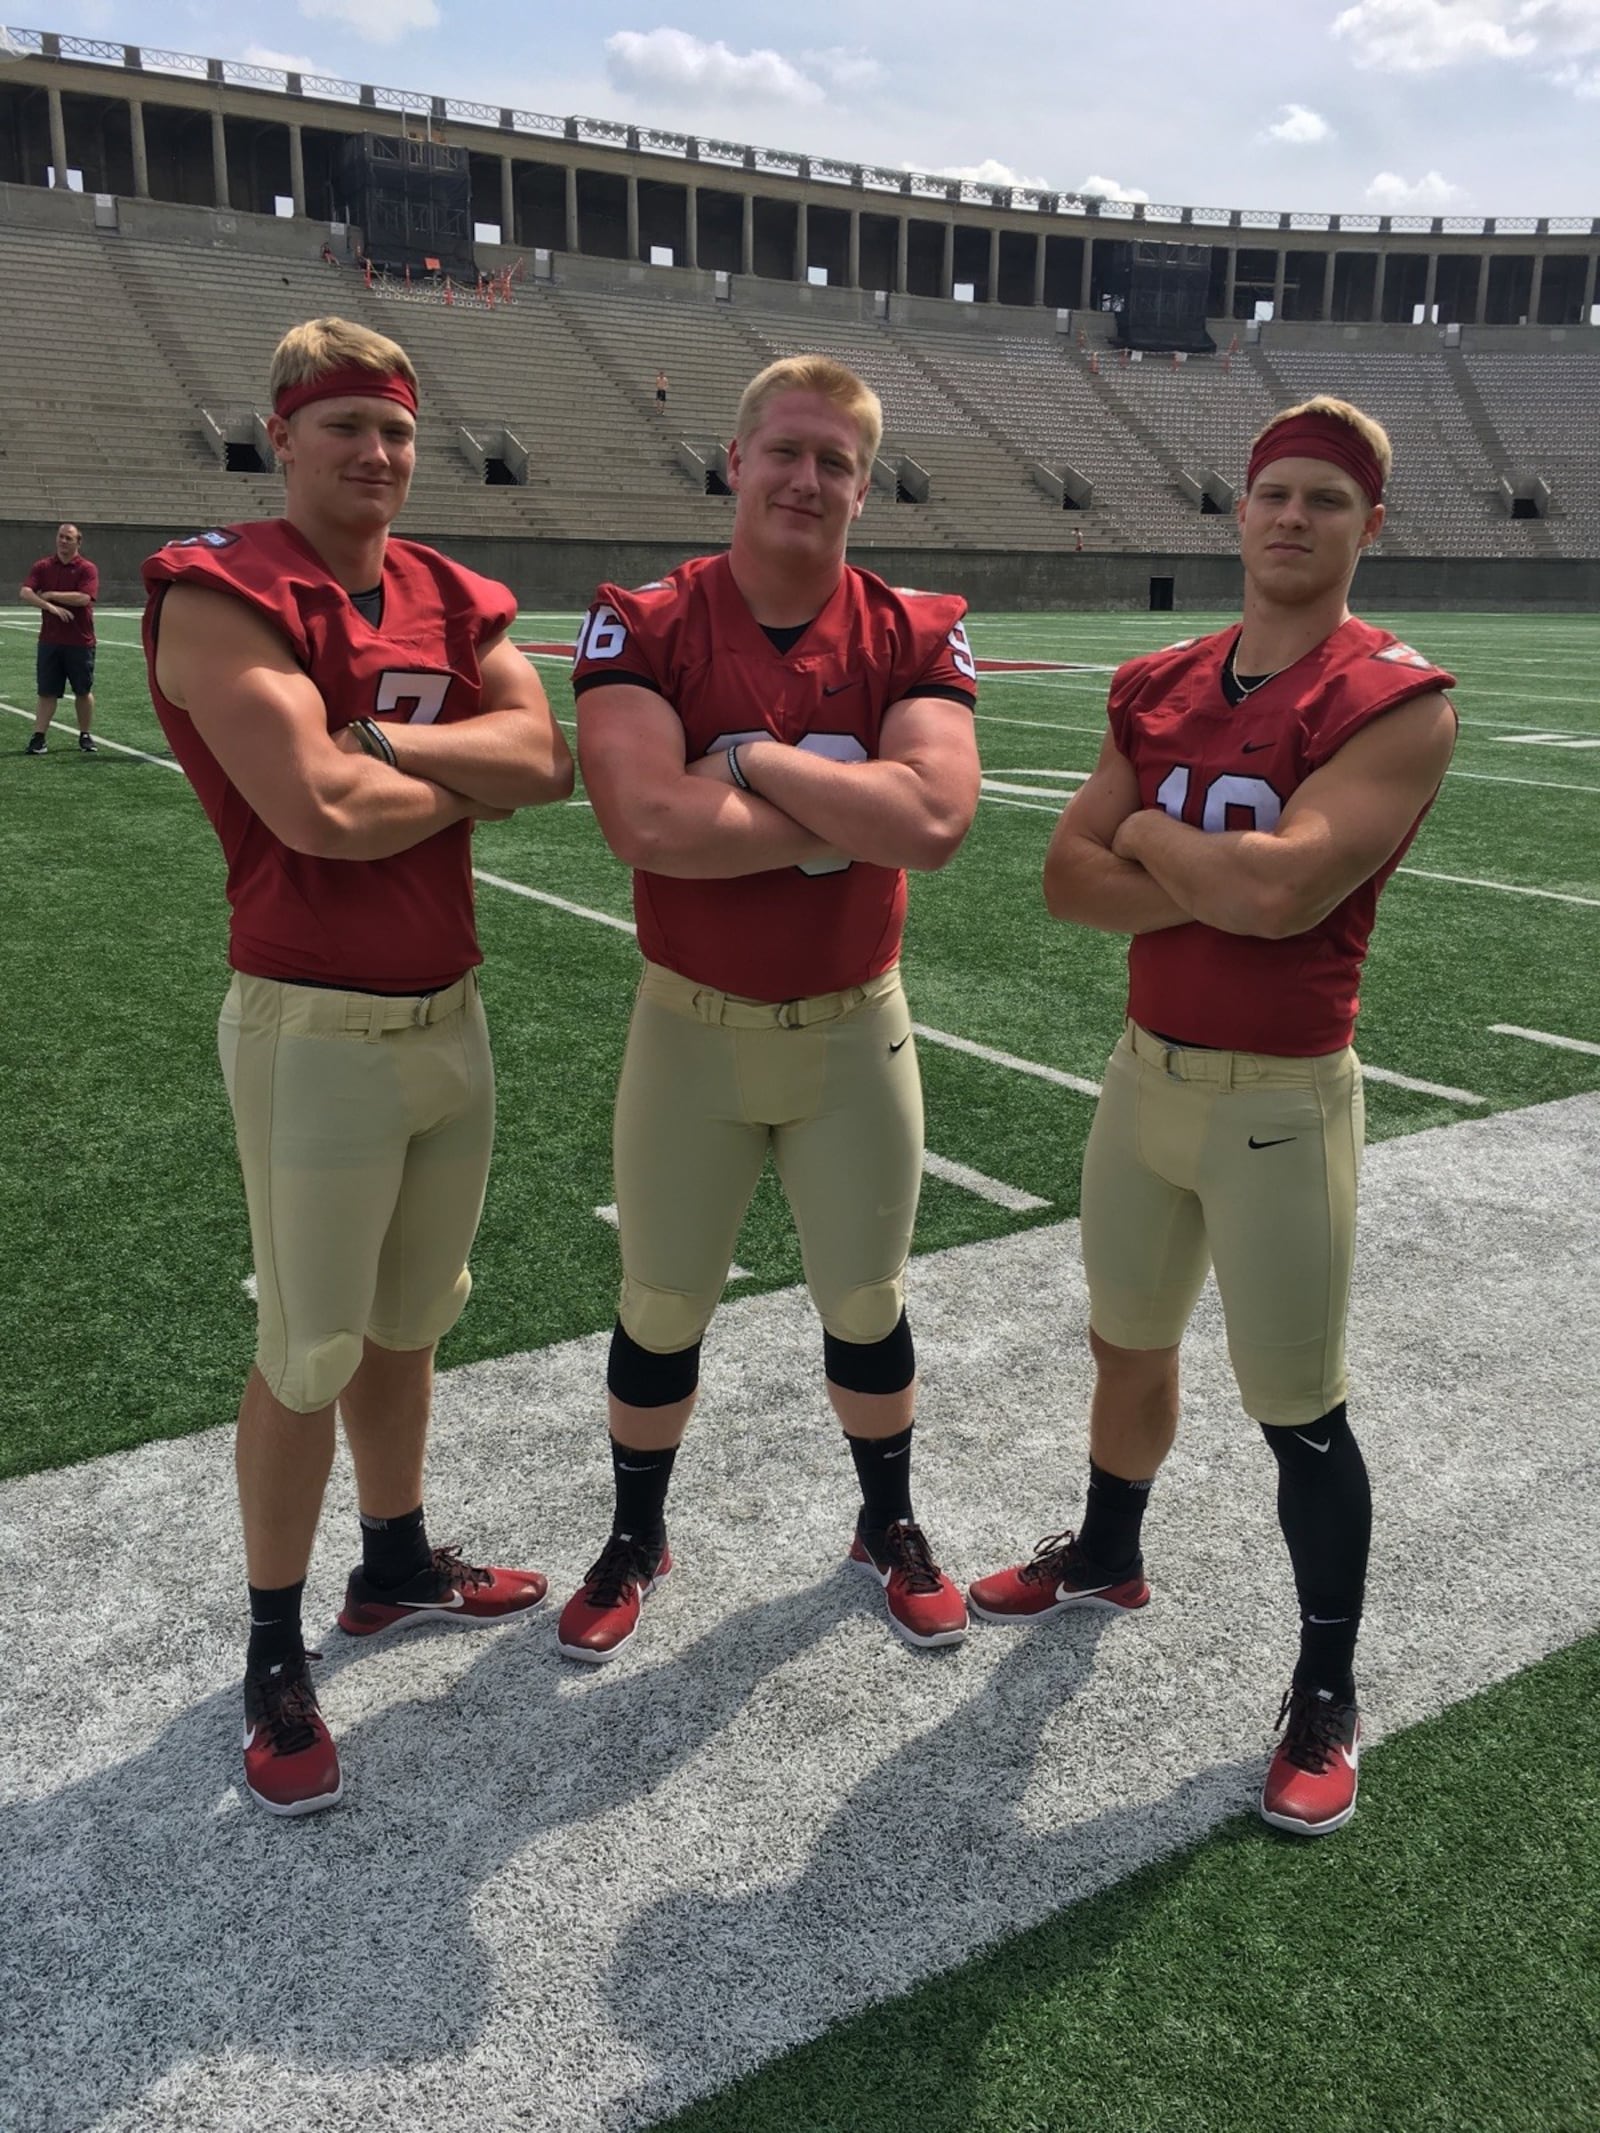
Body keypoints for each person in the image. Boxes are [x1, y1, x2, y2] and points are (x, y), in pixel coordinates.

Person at [969, 396, 1458, 1838]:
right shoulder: (1161, 678)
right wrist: (1214, 866)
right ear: (1237, 517)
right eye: (1273, 496)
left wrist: (1161, 842)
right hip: (1145, 1076)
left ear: (1370, 526)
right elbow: (1066, 880)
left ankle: (1325, 1687)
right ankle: (1109, 1550)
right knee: (1124, 1343)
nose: (1293, 518)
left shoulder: (1395, 697)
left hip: (1281, 1100)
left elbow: (1275, 893)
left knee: (1298, 1409)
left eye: (1325, 498)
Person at [141, 317, 574, 1817]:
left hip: (448, 1014)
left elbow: (548, 762)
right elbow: (315, 811)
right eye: (346, 430)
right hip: (309, 1023)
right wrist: (442, 768)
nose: (377, 456)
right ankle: (274, 1641)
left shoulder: (453, 588)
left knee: (408, 1330)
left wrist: (389, 757)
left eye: (395, 432)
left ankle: (392, 1561)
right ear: (282, 433)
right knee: (307, 1351)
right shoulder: (221, 590)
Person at [563, 353, 982, 1662]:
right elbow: (645, 820)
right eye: (786, 451)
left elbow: (932, 820)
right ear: (734, 461)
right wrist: (833, 815)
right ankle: (637, 1532)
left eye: (836, 461)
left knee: (866, 1300)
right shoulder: (645, 615)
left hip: (856, 1024)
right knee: (662, 1302)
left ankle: (887, 1522)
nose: (809, 478)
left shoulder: (913, 625)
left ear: (866, 486)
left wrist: (751, 760)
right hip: (690, 1021)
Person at [22, 523, 98, 755]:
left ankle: (85, 734)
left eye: (68, 538)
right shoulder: (43, 566)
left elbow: (84, 598)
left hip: (79, 640)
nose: (63, 541)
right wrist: (50, 608)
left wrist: (52, 595)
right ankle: (39, 736)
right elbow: (26, 592)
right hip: (50, 640)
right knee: (46, 691)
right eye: (61, 537)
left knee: (82, 691)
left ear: (78, 542)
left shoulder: (87, 568)